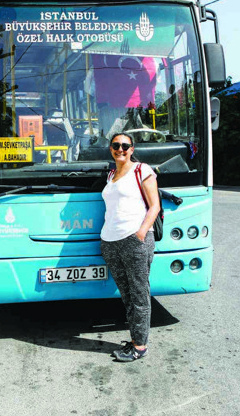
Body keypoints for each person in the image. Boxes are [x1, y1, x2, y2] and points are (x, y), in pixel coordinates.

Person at [99, 132, 161, 362]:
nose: (120, 149)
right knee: (127, 295)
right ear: (111, 149)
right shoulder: (111, 175)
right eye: (116, 145)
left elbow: (154, 206)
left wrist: (141, 233)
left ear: (132, 149)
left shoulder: (142, 170)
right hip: (110, 242)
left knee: (139, 294)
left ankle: (140, 346)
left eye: (125, 145)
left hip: (134, 241)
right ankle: (135, 338)